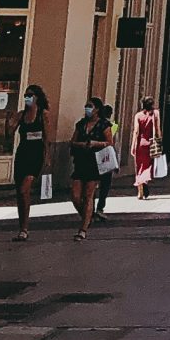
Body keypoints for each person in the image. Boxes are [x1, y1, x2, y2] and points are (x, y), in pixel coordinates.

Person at [13, 85, 49, 238]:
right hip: (22, 154)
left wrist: (47, 157)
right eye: (25, 95)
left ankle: (25, 228)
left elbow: (46, 138)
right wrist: (9, 122)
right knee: (20, 193)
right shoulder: (21, 115)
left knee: (24, 189)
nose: (27, 98)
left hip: (36, 155)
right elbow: (9, 134)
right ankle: (23, 226)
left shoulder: (43, 115)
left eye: (30, 95)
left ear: (37, 97)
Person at [69, 97, 105, 239]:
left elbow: (109, 143)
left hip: (95, 163)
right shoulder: (81, 124)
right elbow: (73, 141)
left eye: (89, 106)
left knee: (88, 195)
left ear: (96, 109)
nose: (87, 109)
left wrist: (96, 143)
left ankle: (83, 229)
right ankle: (87, 216)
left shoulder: (104, 125)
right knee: (75, 196)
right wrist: (81, 144)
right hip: (80, 162)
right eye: (86, 106)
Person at [131, 98, 162, 201]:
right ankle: (144, 181)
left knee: (139, 166)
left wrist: (133, 145)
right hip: (151, 143)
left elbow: (136, 131)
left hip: (140, 143)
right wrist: (159, 141)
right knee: (148, 166)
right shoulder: (155, 114)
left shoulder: (138, 116)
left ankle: (140, 191)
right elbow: (157, 129)